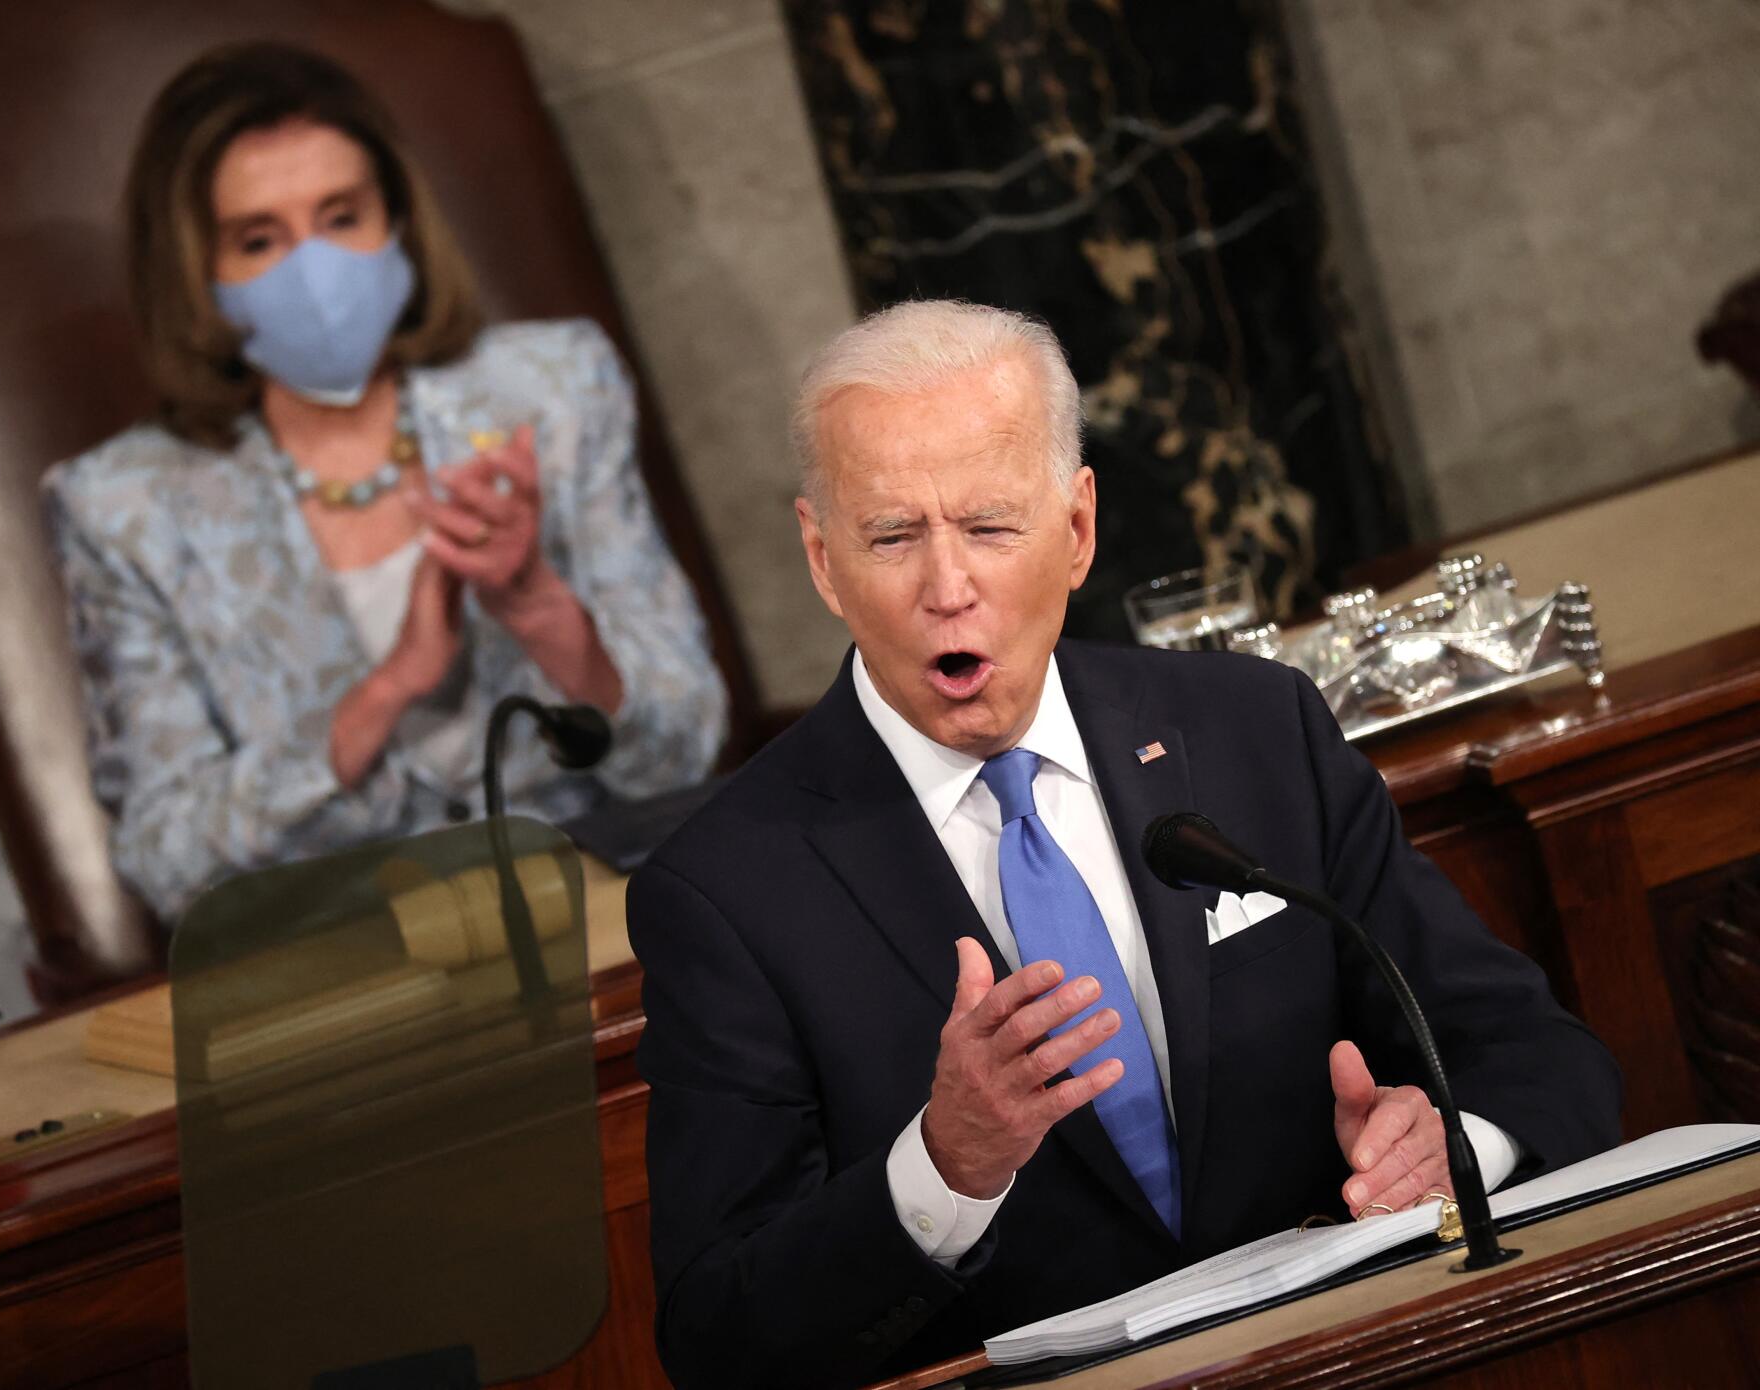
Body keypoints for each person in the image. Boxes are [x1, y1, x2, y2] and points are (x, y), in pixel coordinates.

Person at [625, 301, 1621, 1389]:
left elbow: (1536, 1055)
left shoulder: (1255, 733)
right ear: (822, 560)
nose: (945, 587)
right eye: (891, 536)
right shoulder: (726, 889)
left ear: (1077, 529)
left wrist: (1451, 1146)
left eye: (990, 527)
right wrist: (943, 1167)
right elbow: (720, 1336)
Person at [44, 44, 726, 921]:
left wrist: (544, 616)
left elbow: (688, 750)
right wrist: (386, 691)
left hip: (604, 914)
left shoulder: (552, 392)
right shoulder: (121, 508)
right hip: (352, 965)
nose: (316, 272)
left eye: (342, 217)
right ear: (197, 278)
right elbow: (172, 864)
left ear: (396, 223)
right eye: (260, 240)